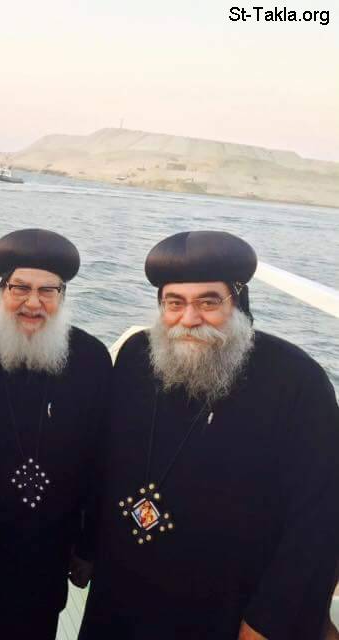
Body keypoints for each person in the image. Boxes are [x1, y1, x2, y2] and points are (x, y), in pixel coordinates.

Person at [79, 230, 339, 640]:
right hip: (122, 592)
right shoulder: (135, 358)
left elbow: (318, 519)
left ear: (238, 302)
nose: (189, 318)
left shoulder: (296, 382)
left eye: (208, 302)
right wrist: (86, 548)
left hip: (224, 607)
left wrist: (270, 621)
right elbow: (106, 464)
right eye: (174, 303)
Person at [0, 228, 112, 639]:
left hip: (45, 557)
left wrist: (87, 546)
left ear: (63, 296)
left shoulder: (91, 359)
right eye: (20, 288)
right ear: (0, 289)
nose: (33, 303)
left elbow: (101, 460)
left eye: (48, 291)